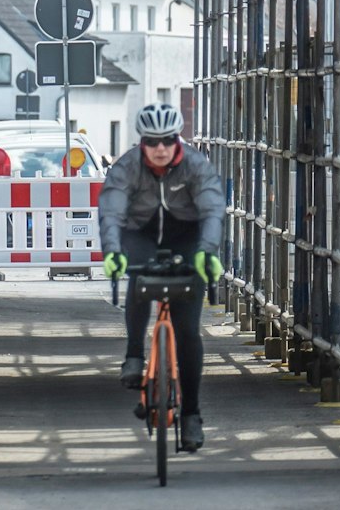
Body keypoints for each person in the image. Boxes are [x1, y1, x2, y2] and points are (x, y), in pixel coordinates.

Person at [99, 100, 227, 453]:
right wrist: (112, 251)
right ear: (141, 142)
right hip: (140, 234)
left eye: (166, 141)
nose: (159, 149)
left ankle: (191, 416)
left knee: (187, 329)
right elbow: (111, 209)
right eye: (151, 142)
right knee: (138, 281)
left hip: (187, 236)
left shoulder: (196, 165)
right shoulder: (127, 166)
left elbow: (213, 208)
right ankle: (134, 355)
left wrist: (207, 250)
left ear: (177, 140)